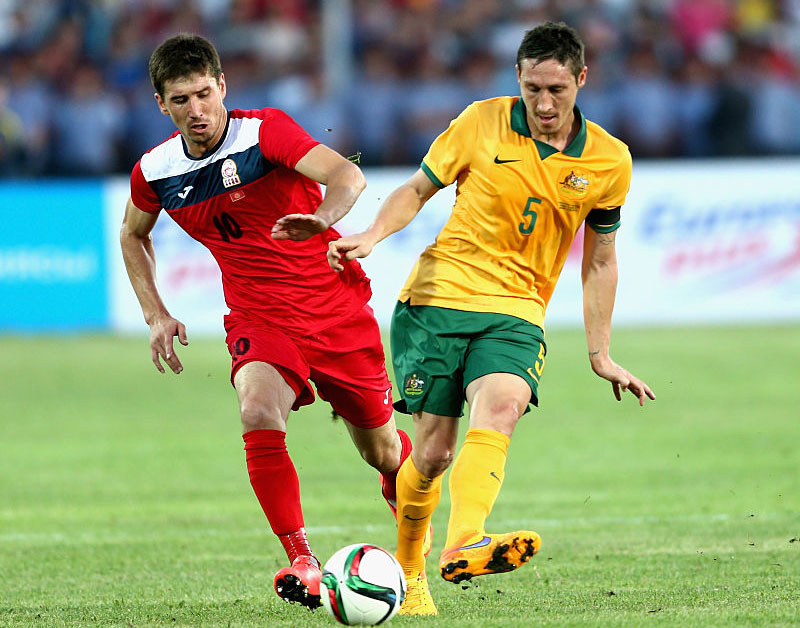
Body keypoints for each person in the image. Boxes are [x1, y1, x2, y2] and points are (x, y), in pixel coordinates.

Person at [328, 21, 656, 616]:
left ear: (582, 79)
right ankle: (410, 569)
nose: (544, 104)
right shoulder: (480, 121)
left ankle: (464, 541)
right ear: (518, 79)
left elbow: (600, 260)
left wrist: (600, 352)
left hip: (517, 311)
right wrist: (373, 235)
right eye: (533, 89)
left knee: (503, 403)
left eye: (557, 89)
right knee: (432, 454)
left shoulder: (609, 161)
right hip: (436, 301)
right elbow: (417, 189)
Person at [119, 33, 425, 611]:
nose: (196, 109)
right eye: (181, 100)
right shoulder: (155, 171)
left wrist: (323, 217)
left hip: (334, 309)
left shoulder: (263, 133)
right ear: (161, 104)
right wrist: (155, 313)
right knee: (257, 409)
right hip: (259, 316)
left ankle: (405, 499)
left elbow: (348, 176)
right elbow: (133, 235)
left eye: (204, 94)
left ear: (222, 86)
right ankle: (302, 560)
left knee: (383, 451)